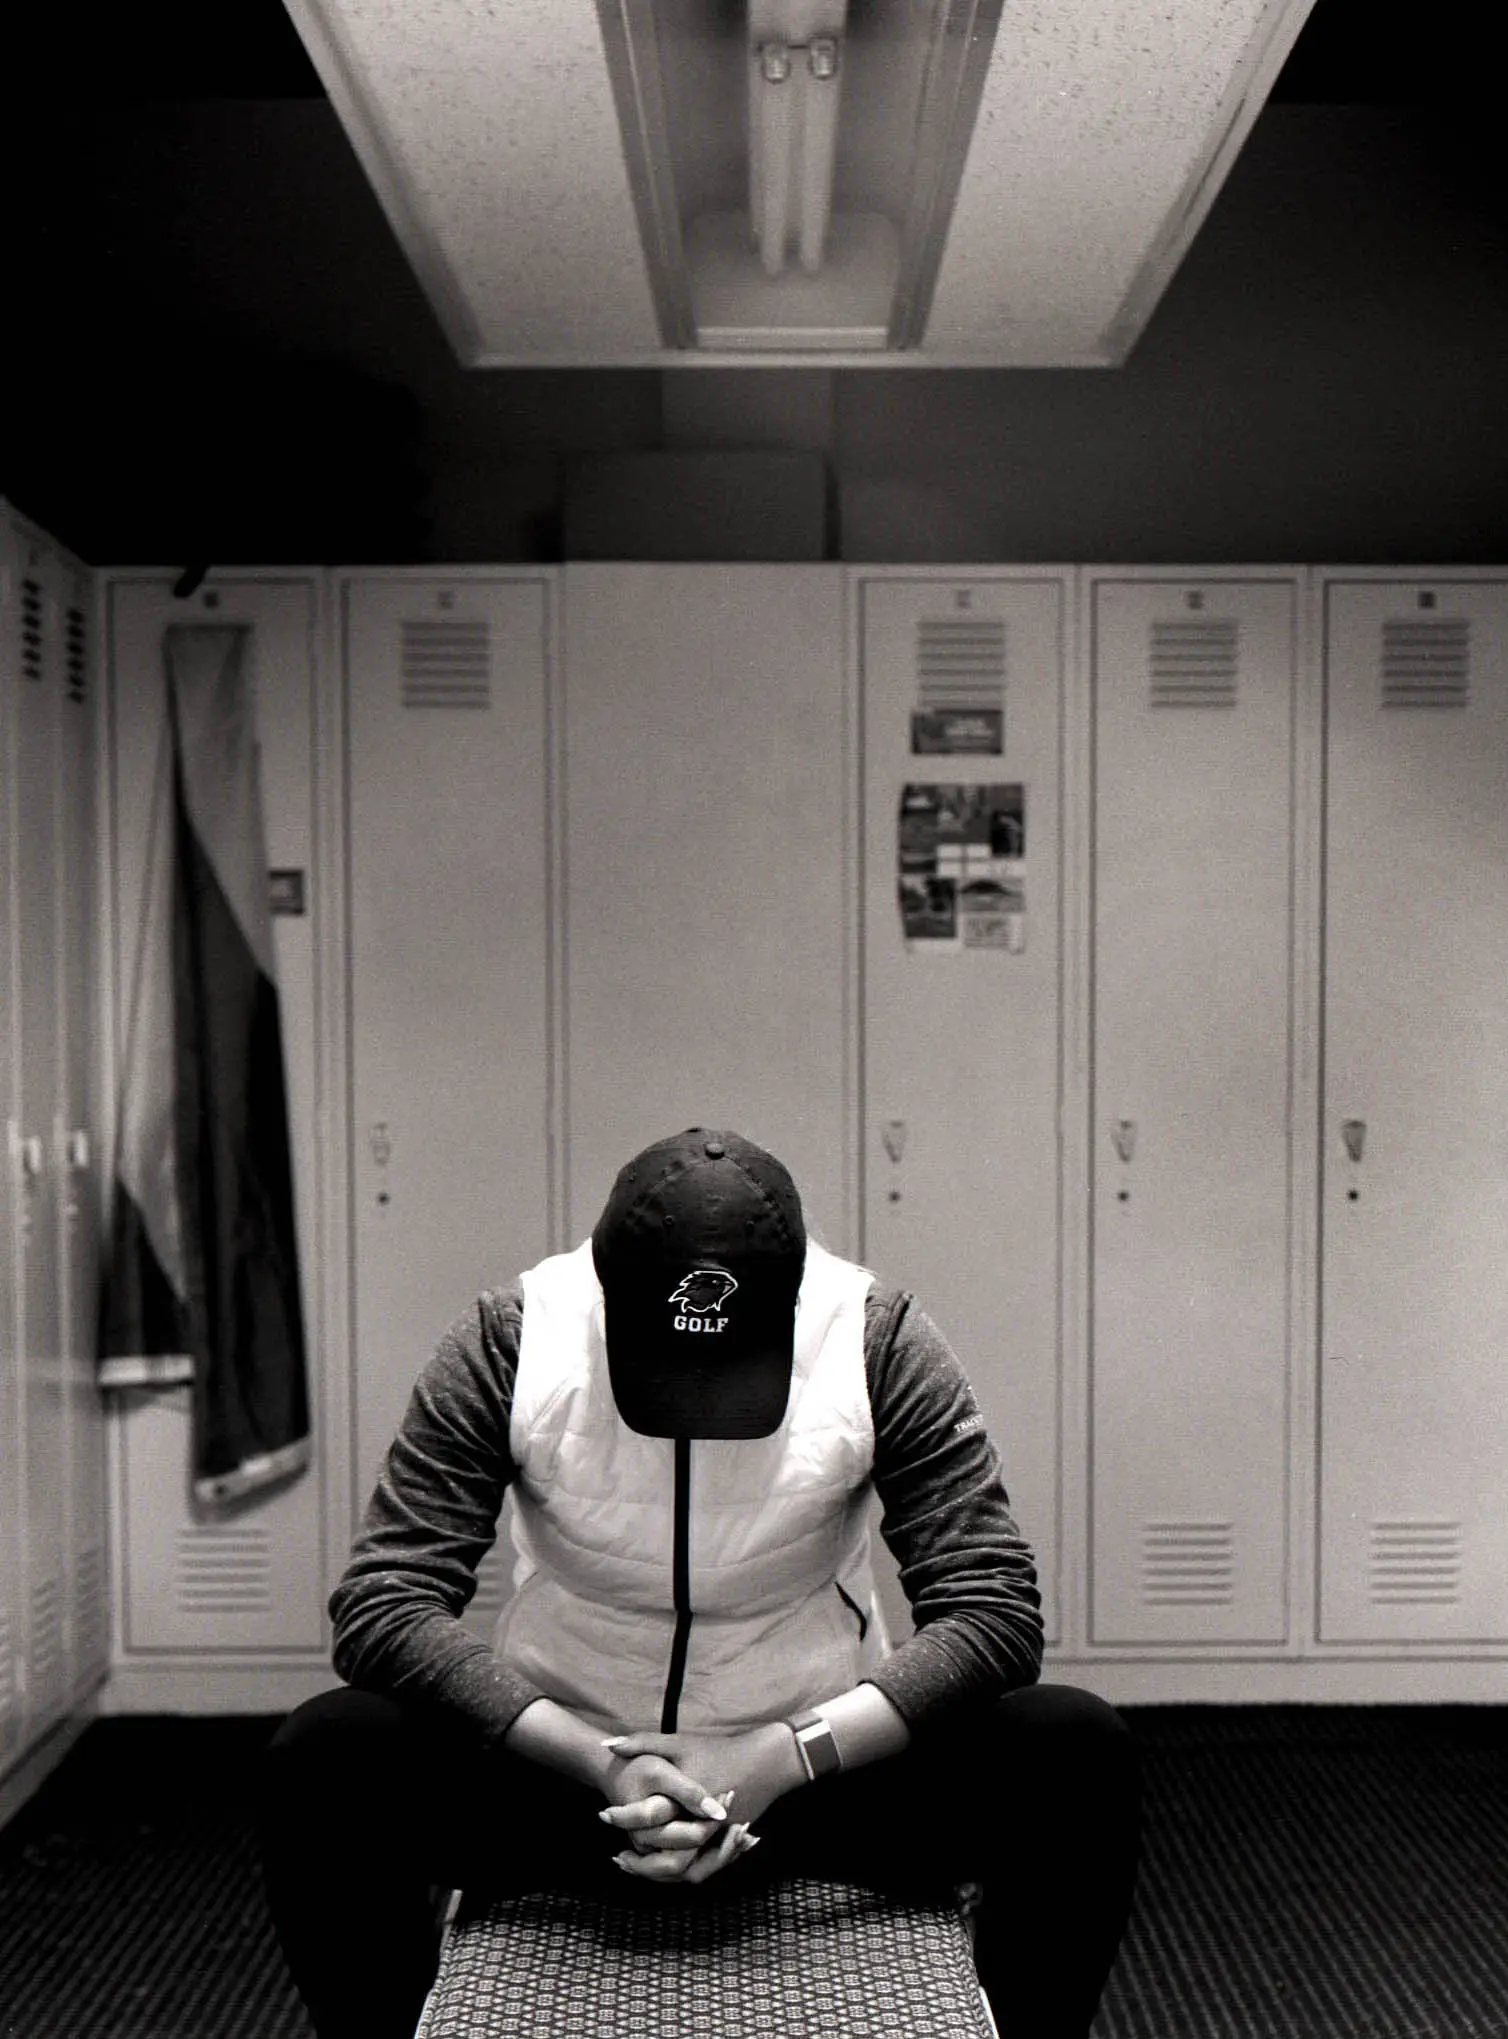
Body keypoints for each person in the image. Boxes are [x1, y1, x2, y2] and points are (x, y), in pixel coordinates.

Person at [260, 1128, 1140, 2039]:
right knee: (326, 1752)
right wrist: (601, 1761)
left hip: (805, 1782)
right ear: (603, 1289)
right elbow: (384, 1600)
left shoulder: (875, 1335)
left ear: (795, 1296)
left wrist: (778, 1757)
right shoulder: (511, 1336)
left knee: (1073, 1744)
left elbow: (992, 1608)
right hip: (576, 1784)